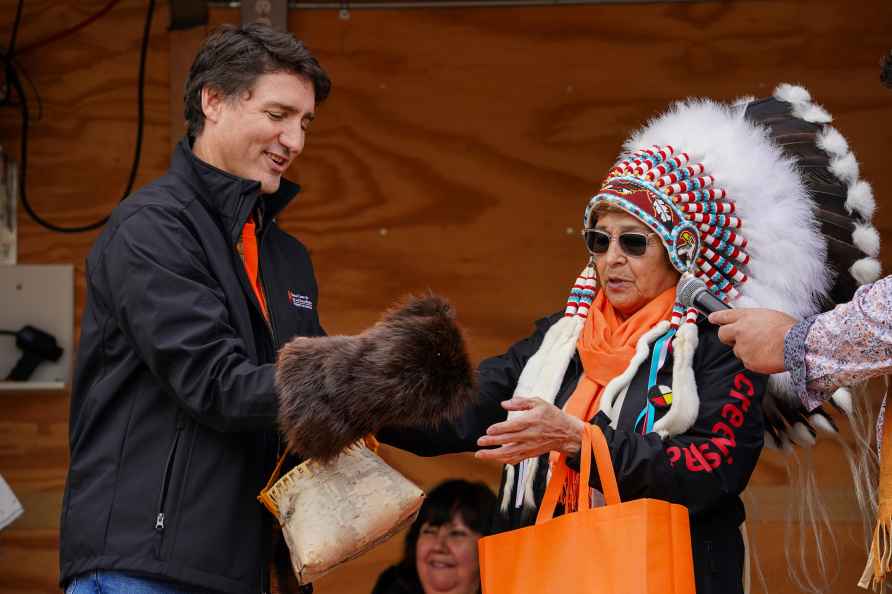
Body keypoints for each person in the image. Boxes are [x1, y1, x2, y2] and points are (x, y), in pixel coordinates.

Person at [379, 85, 863, 594]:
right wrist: (365, 408)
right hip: (552, 575)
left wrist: (580, 441)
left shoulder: (719, 346)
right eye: (599, 239)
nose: (612, 257)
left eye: (633, 242)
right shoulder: (560, 343)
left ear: (679, 253)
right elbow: (463, 409)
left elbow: (711, 470)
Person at [59, 24, 331, 594]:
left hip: (241, 568)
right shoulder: (153, 227)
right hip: (141, 566)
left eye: (304, 123)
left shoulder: (286, 256)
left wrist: (459, 391)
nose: (295, 140)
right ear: (213, 100)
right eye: (278, 114)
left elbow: (309, 397)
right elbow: (217, 383)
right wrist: (360, 375)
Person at [371, 480, 497, 594]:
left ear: (489, 548)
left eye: (456, 533)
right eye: (430, 531)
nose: (438, 546)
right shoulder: (390, 587)